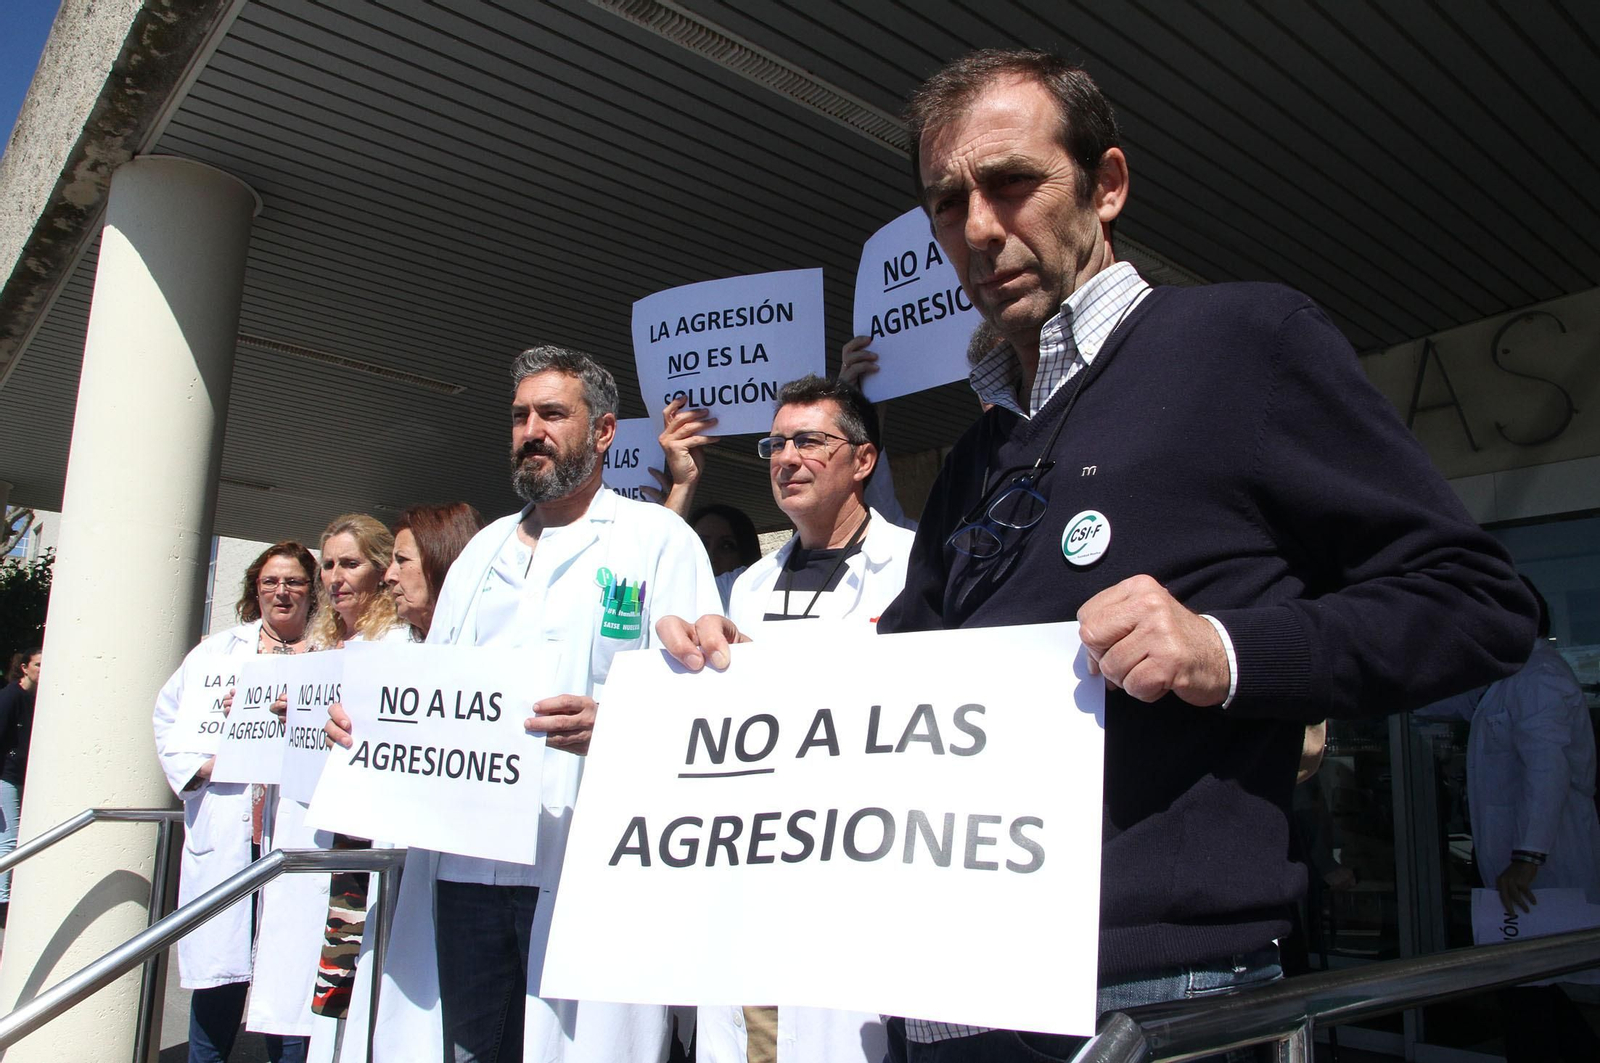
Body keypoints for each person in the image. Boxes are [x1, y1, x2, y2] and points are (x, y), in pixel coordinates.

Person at [662, 49, 1535, 1062]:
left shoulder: (1244, 341)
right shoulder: (979, 454)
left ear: (1106, 185)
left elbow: (1480, 603)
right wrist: (727, 689)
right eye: (947, 202)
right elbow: (894, 684)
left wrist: (1225, 651)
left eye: (1013, 182)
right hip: (950, 988)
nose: (980, 227)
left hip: (1154, 1000)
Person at [331, 346, 720, 1063]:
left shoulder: (657, 540)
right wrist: (368, 727)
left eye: (551, 414)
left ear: (603, 433)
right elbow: (432, 683)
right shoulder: (481, 552)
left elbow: (704, 699)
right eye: (519, 417)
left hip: (581, 865)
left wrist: (616, 724)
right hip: (466, 871)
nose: (530, 431)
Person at [665, 374, 915, 1063]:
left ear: (863, 460)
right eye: (776, 442)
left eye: (809, 440)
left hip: (862, 878)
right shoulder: (746, 586)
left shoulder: (916, 569)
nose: (785, 456)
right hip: (756, 878)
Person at [152, 542, 318, 1063]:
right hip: (231, 837)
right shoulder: (215, 655)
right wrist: (202, 768)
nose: (281, 592)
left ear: (311, 591)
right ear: (255, 590)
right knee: (219, 985)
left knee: (289, 978)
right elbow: (168, 719)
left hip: (293, 839)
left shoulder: (329, 652)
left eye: (293, 582)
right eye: (271, 582)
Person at [1422, 578, 1600, 1062]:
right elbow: (1441, 703)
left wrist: (1528, 856)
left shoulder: (1539, 677)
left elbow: (1548, 768)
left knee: (1533, 989)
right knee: (1530, 990)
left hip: (1539, 866)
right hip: (1517, 865)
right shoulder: (1506, 681)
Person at [251, 515, 409, 1054]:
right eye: (329, 565)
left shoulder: (397, 643)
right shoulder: (316, 646)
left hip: (356, 843)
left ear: (381, 570)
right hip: (302, 824)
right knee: (293, 982)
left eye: (350, 563)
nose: (335, 577)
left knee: (343, 989)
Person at [386, 503, 485, 641]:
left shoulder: (490, 642)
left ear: (442, 562)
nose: (388, 576)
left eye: (402, 560)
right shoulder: (390, 645)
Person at [0, 647, 41, 925]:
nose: (43, 669)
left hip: (18, 775)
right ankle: (3, 900)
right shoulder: (12, 696)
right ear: (24, 667)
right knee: (9, 839)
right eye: (39, 664)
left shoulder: (33, 698)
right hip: (7, 775)